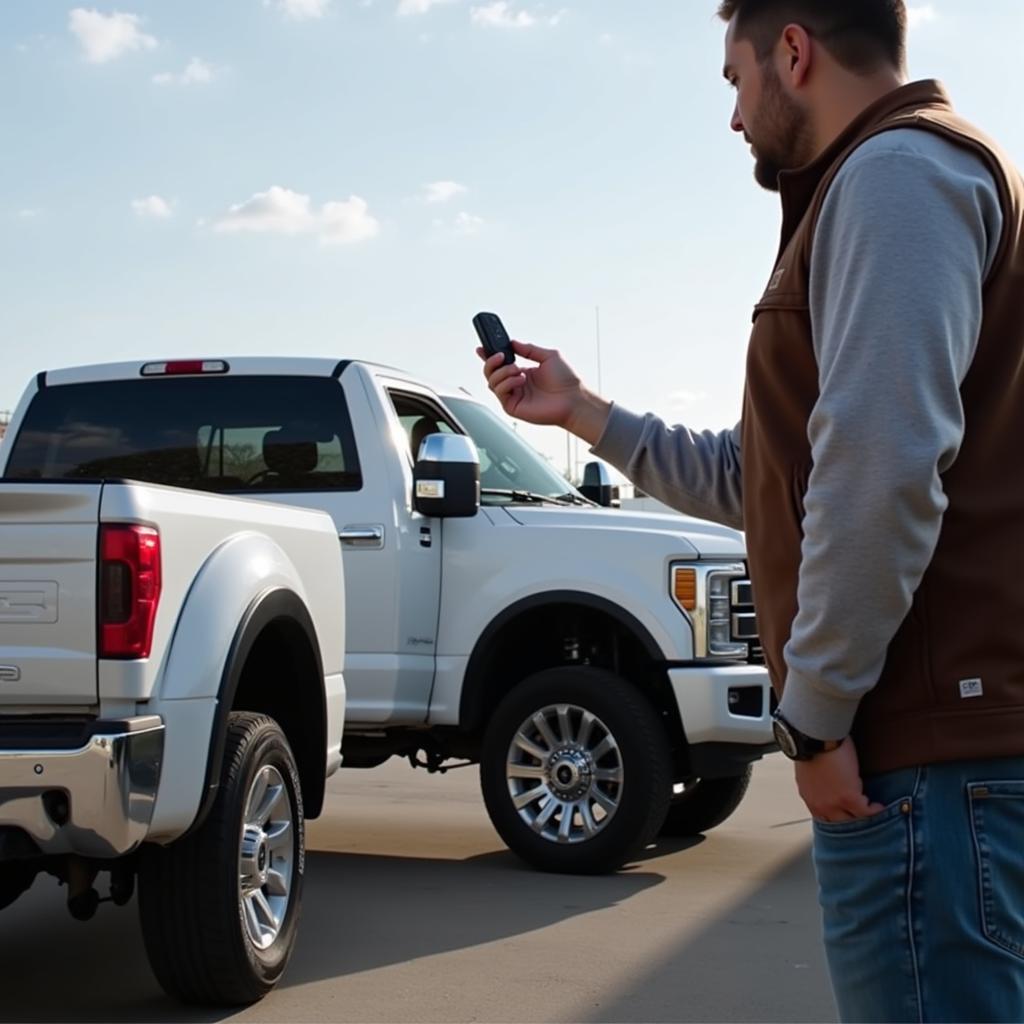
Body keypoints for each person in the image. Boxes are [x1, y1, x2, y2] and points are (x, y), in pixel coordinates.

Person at [479, 2, 1024, 1021]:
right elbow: (774, 480)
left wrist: (813, 723)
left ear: (791, 51)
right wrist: (584, 413)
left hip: (923, 773)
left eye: (732, 80)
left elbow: (882, 474)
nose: (732, 116)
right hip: (931, 771)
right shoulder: (880, 185)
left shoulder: (894, 177)